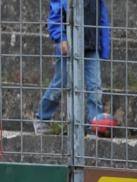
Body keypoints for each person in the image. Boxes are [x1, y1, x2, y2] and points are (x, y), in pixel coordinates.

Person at [34, 0, 111, 135]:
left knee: (95, 87)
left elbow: (102, 17)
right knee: (61, 82)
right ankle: (42, 117)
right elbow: (56, 14)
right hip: (68, 44)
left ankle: (95, 126)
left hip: (91, 46)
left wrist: (104, 47)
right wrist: (61, 37)